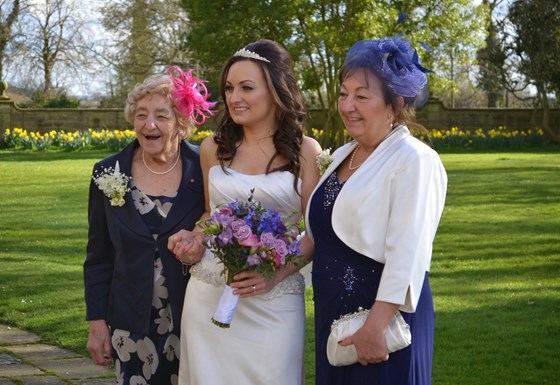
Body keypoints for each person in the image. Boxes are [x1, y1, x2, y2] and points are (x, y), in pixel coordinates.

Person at [167, 39, 322, 385]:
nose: (234, 97)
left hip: (275, 300)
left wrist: (274, 276)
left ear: (276, 90)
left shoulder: (306, 151)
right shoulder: (213, 148)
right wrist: (194, 238)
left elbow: (313, 232)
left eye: (247, 87)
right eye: (229, 88)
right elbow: (210, 214)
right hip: (209, 293)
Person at [305, 36, 447, 384]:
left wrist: (376, 324)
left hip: (382, 320)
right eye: (343, 93)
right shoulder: (342, 155)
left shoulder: (415, 159)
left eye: (362, 96)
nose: (347, 105)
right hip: (334, 315)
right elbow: (322, 233)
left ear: (394, 104)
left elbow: (409, 251)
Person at [83, 66, 215, 384]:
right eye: (141, 115)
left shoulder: (206, 167)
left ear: (181, 123)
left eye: (161, 115)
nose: (149, 124)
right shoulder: (108, 172)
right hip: (131, 324)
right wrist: (97, 322)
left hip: (195, 318)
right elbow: (98, 256)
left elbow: (218, 224)